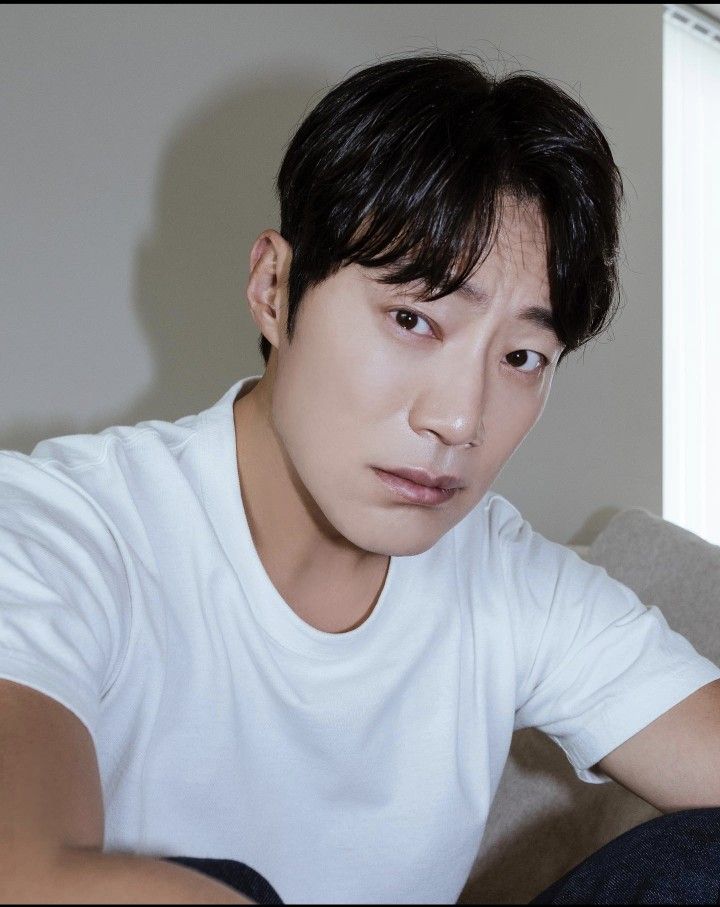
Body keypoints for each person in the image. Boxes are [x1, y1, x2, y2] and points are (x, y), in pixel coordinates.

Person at [1, 51, 720, 905]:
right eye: (413, 318)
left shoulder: (509, 580)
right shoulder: (61, 529)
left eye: (522, 357)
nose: (459, 419)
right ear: (274, 287)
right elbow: (23, 873)